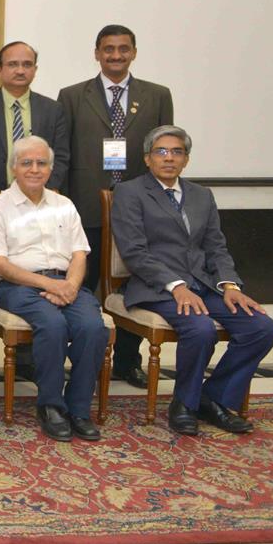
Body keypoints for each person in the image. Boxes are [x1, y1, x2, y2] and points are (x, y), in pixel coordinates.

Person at [111, 126, 273, 436]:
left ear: (186, 160)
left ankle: (211, 397)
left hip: (204, 285)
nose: (169, 158)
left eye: (177, 152)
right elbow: (134, 252)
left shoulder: (202, 195)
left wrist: (230, 285)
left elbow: (216, 246)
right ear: (148, 159)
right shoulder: (130, 192)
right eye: (161, 152)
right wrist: (176, 286)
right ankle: (184, 404)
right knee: (200, 329)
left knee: (262, 327)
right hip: (156, 287)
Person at [58, 24, 174, 390]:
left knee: (135, 284)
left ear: (134, 52)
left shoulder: (156, 96)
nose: (116, 55)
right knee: (80, 283)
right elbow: (64, 151)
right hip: (86, 205)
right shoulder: (73, 96)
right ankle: (82, 359)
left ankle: (127, 360)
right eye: (108, 49)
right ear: (96, 53)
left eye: (123, 49)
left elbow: (165, 148)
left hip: (139, 207)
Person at [0, 136, 106, 442]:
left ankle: (78, 408)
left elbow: (79, 254)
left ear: (50, 168)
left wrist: (71, 287)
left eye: (41, 163)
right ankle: (50, 406)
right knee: (53, 324)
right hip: (18, 285)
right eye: (26, 163)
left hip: (67, 283)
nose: (34, 169)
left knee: (93, 327)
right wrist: (50, 284)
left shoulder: (64, 205)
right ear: (13, 168)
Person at [0, 40, 70, 384]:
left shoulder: (52, 110)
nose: (20, 70)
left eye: (27, 64)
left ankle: (29, 362)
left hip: (38, 205)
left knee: (35, 269)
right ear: (0, 69)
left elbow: (62, 158)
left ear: (35, 70)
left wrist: (37, 192)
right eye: (12, 64)